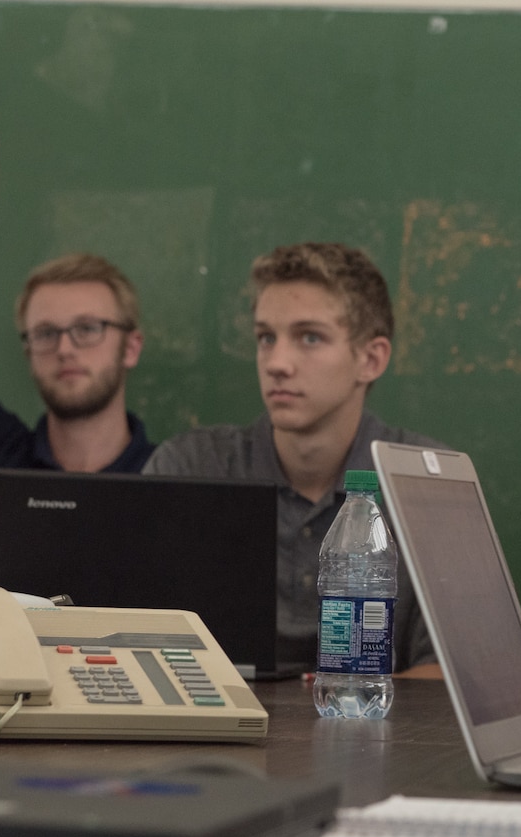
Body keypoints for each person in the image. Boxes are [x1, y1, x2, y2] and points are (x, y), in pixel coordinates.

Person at [144, 242, 446, 671]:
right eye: (266, 337)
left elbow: (451, 676)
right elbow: (139, 646)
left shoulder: (428, 484)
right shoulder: (188, 468)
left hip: (372, 732)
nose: (277, 363)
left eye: (309, 337)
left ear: (371, 359)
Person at [0, 123, 154, 583]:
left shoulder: (170, 475)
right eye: (45, 333)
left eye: (88, 329)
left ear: (131, 346)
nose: (64, 348)